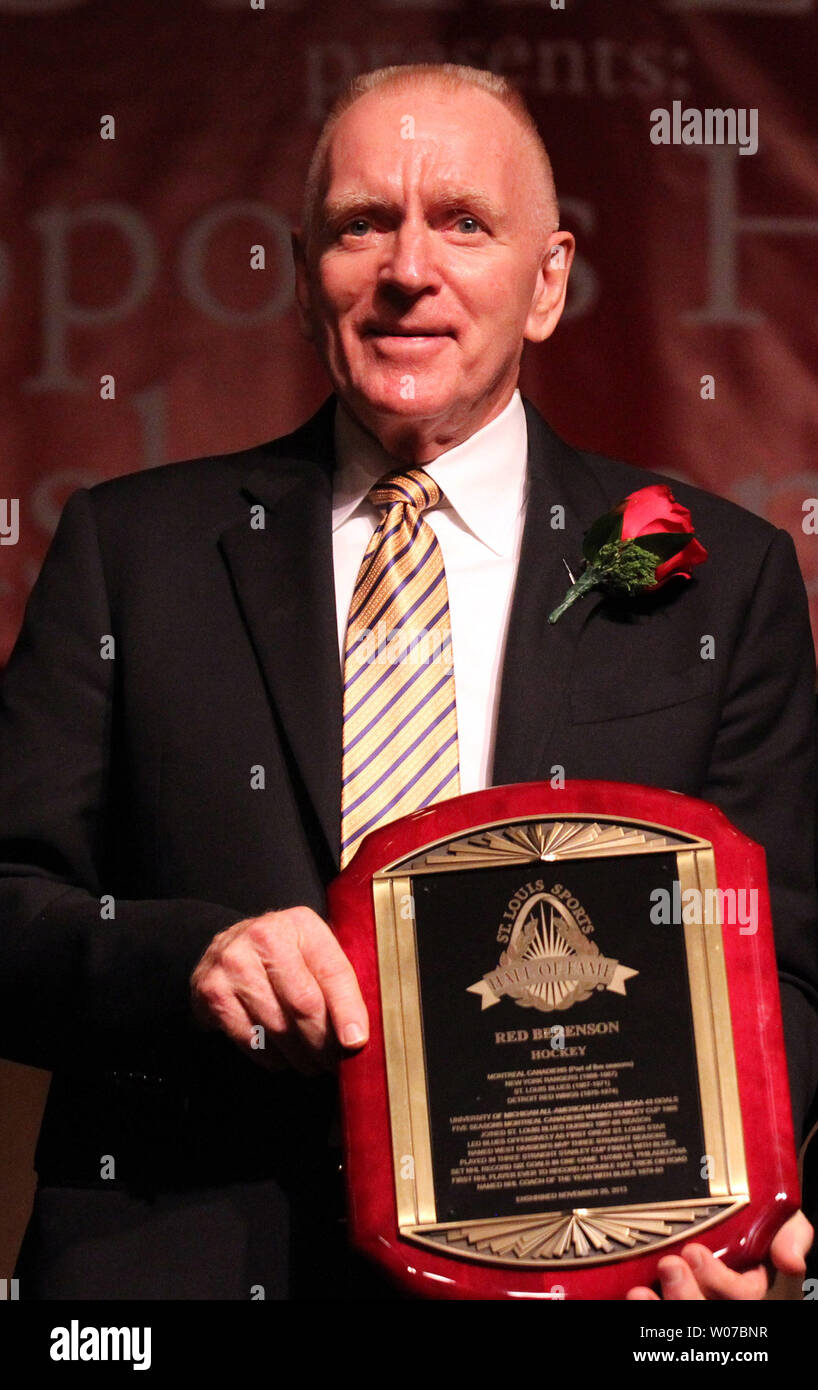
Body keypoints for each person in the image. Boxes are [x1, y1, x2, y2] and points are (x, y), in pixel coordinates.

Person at [1, 63, 816, 1302]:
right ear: (303, 272)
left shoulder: (724, 577)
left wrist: (716, 1213)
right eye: (361, 223)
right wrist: (190, 959)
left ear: (547, 282)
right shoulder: (131, 551)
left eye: (463, 223)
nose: (405, 269)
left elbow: (782, 970)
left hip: (578, 1286)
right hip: (182, 1278)